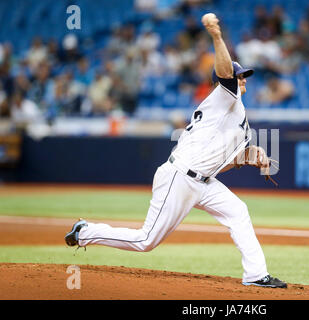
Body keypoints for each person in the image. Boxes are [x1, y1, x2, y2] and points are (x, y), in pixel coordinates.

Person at [65, 13, 287, 289]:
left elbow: (221, 162)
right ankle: (86, 232)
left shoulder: (237, 115)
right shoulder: (223, 96)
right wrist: (217, 36)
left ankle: (256, 275)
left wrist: (249, 157)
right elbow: (224, 73)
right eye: (240, 76)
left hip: (203, 180)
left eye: (244, 77)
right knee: (147, 241)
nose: (243, 80)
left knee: (238, 212)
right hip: (180, 177)